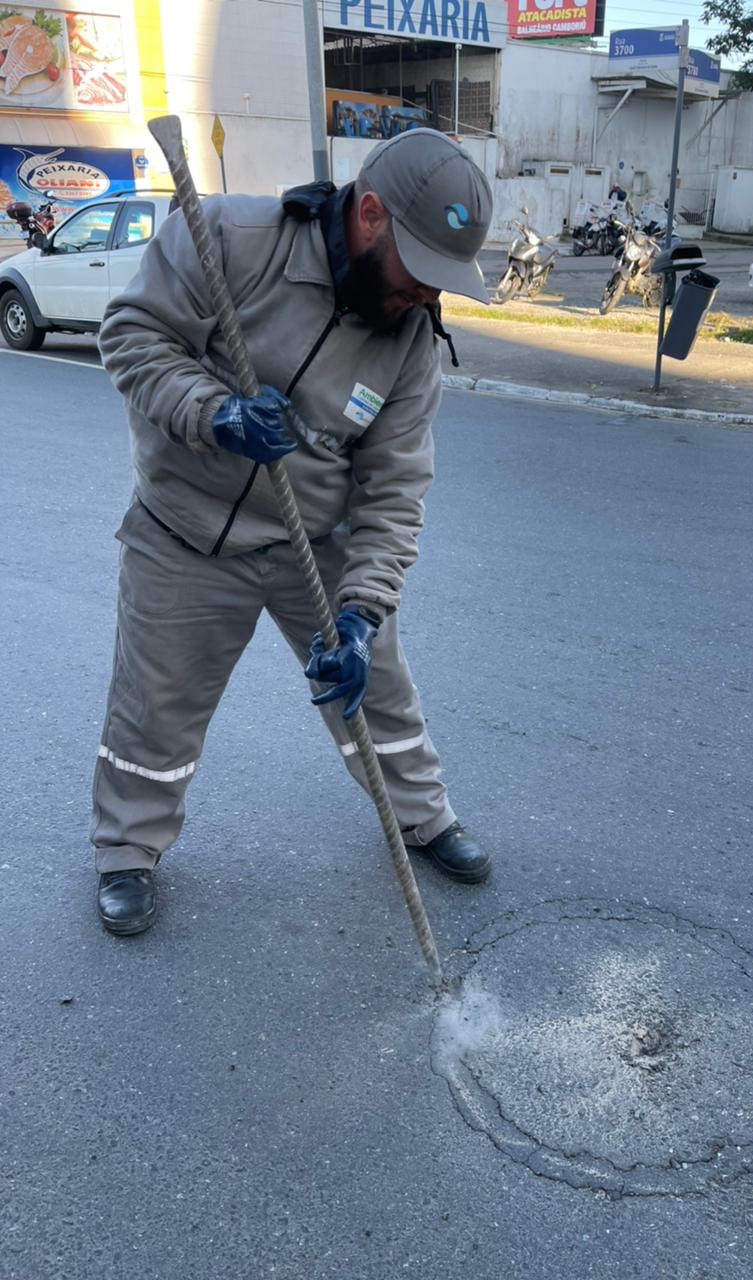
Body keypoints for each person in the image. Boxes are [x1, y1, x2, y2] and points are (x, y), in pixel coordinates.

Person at [92, 129, 494, 936]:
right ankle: (127, 849)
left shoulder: (413, 340)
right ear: (370, 214)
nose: (425, 296)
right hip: (185, 536)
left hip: (316, 543)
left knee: (376, 684)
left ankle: (421, 816)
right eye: (420, 271)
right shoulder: (229, 243)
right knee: (156, 704)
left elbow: (394, 486)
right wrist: (215, 413)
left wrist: (359, 611)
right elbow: (130, 338)